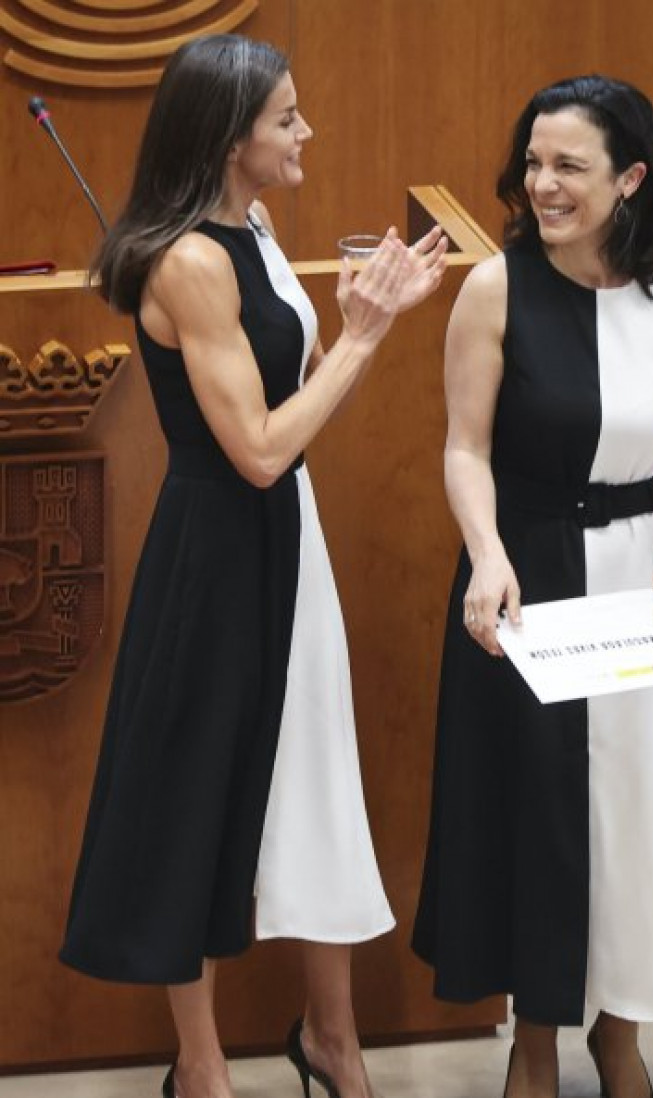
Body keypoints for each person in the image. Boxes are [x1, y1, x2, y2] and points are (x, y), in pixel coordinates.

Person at [58, 33, 447, 1098]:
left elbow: (294, 389)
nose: (303, 131)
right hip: (217, 552)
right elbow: (263, 450)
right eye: (285, 117)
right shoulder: (186, 260)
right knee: (193, 790)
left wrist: (365, 316)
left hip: (289, 543)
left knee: (309, 778)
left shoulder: (256, 227)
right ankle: (201, 1066)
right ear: (229, 137)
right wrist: (365, 342)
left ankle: (332, 1041)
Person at [412, 75, 653, 1098]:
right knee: (532, 811)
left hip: (647, 581)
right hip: (526, 577)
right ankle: (533, 1038)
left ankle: (620, 1030)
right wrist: (487, 551)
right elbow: (464, 447)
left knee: (635, 813)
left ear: (630, 178)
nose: (540, 184)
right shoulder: (495, 289)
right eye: (532, 162)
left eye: (568, 166)